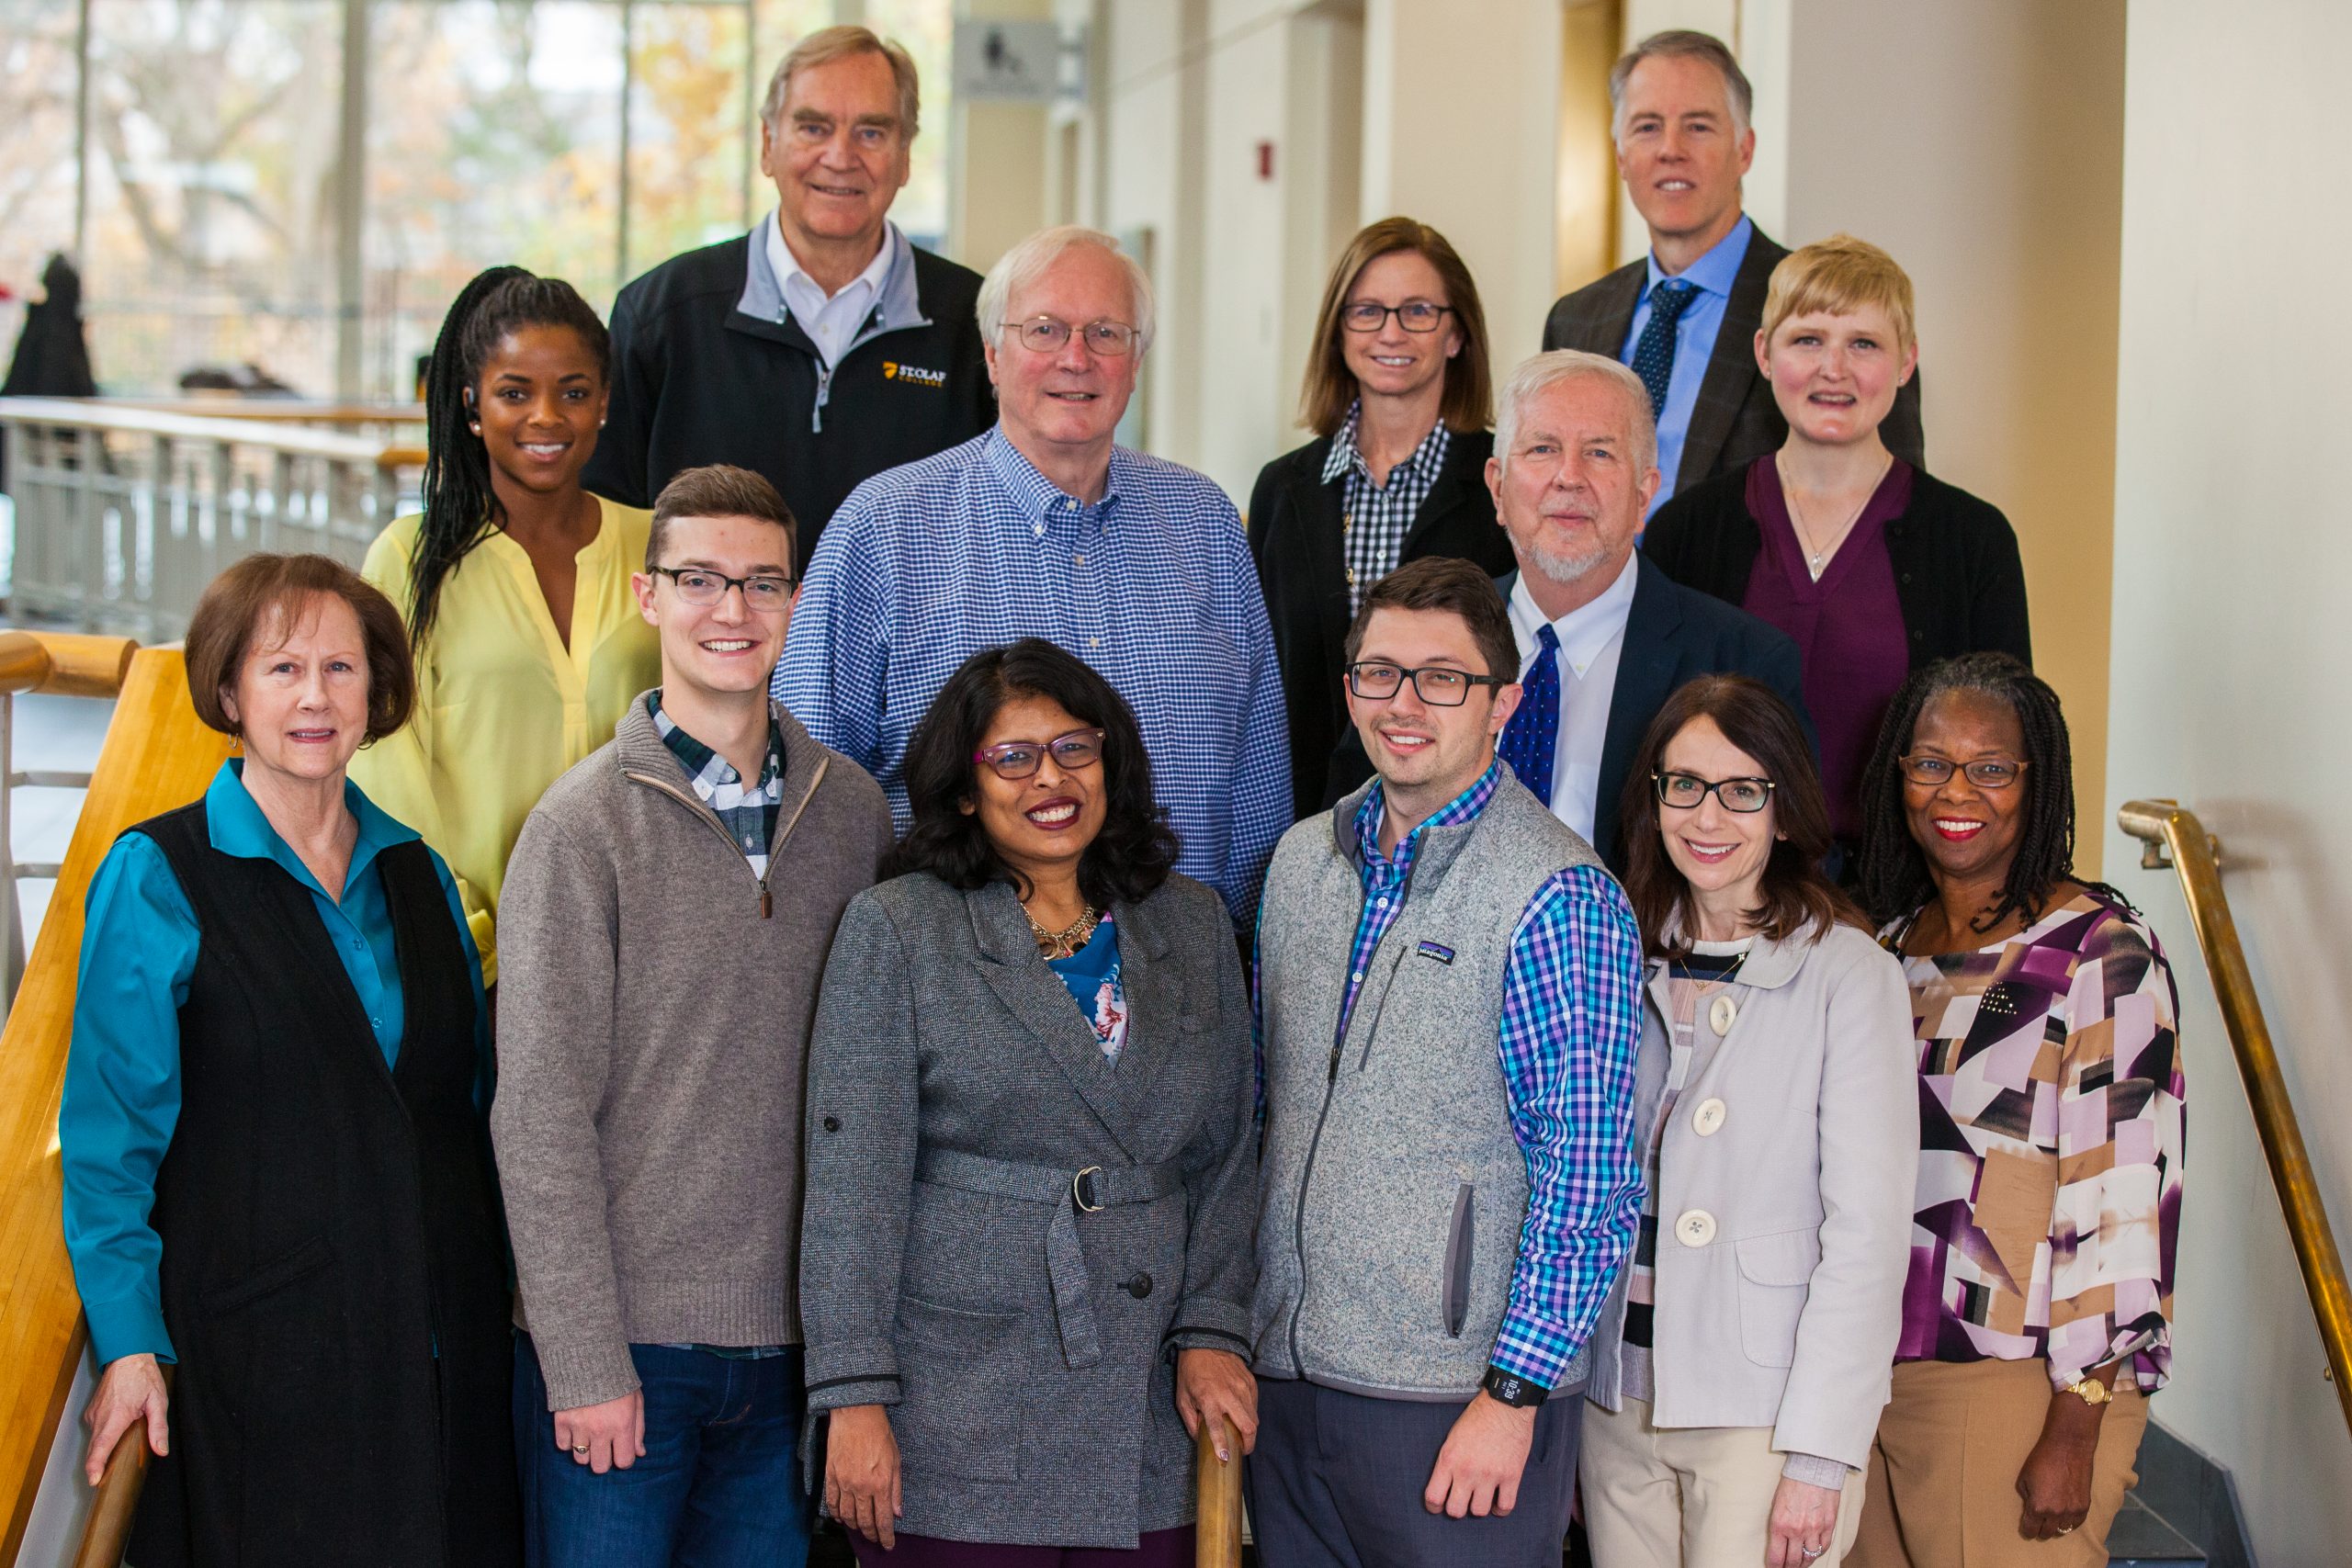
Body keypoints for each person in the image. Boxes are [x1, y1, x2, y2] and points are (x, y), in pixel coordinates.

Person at [61, 553, 516, 1563]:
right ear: (228, 690)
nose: (316, 697)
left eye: (342, 670)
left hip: (446, 1356)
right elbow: (109, 1142)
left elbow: (469, 1110)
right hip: (265, 1370)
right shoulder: (157, 875)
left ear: (376, 691)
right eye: (282, 670)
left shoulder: (420, 873)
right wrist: (131, 1343)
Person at [492, 466, 894, 1567]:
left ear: (797, 602)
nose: (733, 611)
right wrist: (581, 1361)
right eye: (702, 580)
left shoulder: (853, 812)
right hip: (626, 1352)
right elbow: (536, 1116)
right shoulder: (577, 831)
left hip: (795, 1354)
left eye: (762, 583)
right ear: (646, 595)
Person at [800, 637, 1260, 1564]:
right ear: (966, 788)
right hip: (958, 1403)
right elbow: (852, 1186)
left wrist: (1213, 1327)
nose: (1050, 778)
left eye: (1073, 749)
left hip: (1150, 1402)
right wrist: (852, 1396)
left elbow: (1227, 1152)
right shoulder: (897, 928)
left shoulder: (1194, 921)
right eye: (1012, 757)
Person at [1250, 556, 1643, 1567]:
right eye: (1379, 673)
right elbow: (1263, 1110)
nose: (1405, 703)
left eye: (1443, 677)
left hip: (1456, 1404)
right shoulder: (1300, 865)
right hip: (1290, 1382)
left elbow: (1590, 1174)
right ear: (1350, 691)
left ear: (1503, 701)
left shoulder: (1559, 895)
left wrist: (1512, 1393)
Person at [775, 226, 1289, 926]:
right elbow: (811, 796)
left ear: (1136, 361)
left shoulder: (1205, 522)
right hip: (962, 993)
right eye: (1043, 329)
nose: (1075, 358)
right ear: (991, 354)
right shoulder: (884, 527)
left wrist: (1243, 967)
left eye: (1107, 333)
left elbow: (1259, 779)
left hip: (1181, 987)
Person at [1850, 653, 2183, 1567]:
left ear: (2038, 781)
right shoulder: (1880, 949)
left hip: (2011, 1382)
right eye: (1929, 762)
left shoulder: (2097, 954)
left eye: (1990, 767)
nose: (1955, 790)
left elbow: (2121, 1194)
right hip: (1860, 1366)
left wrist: (2075, 1423)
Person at [1578, 674, 1915, 1568]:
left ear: (1785, 810)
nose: (1708, 816)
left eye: (1741, 791)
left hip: (1761, 1422)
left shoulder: (1849, 972)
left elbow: (1868, 1236)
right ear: (1651, 799)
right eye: (1683, 784)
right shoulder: (1616, 948)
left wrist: (1819, 1453)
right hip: (1616, 1406)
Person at [1323, 349, 1808, 873]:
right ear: (1498, 487)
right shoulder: (1411, 639)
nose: (1568, 477)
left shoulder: (1744, 659)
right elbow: (1354, 822)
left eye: (1600, 453)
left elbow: (1790, 868)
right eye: (1542, 448)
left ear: (1645, 494)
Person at [1645, 236, 2030, 857]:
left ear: (1906, 362)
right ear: (1764, 354)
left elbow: (2007, 755)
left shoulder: (1972, 542)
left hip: (1907, 909)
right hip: (1716, 894)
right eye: (1808, 340)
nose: (1834, 369)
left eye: (1864, 344)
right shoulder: (1687, 531)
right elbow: (1652, 743)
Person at [582, 25, 993, 572]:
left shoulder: (978, 322)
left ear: (905, 156)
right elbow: (605, 529)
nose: (840, 156)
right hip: (713, 653)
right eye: (813, 127)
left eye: (871, 132)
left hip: (914, 659)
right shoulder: (661, 316)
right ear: (767, 145)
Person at [351, 265, 661, 981]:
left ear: (606, 402)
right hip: (465, 960)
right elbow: (383, 770)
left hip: (638, 958)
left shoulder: (659, 547)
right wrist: (474, 943)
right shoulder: (408, 560)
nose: (545, 418)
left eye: (573, 393)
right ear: (470, 404)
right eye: (514, 393)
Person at [1542, 30, 1924, 516]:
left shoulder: (1825, 312)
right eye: (1647, 127)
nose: (1671, 149)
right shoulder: (1575, 319)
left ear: (1745, 149)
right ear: (1620, 156)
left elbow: (1903, 512)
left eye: (1698, 126)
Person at [1249, 217, 1516, 818]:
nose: (1391, 331)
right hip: (1302, 819)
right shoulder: (1284, 489)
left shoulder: (1500, 484)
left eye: (1418, 310)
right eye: (1367, 310)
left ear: (1456, 334)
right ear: (1339, 332)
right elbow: (1263, 679)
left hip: (1454, 818)